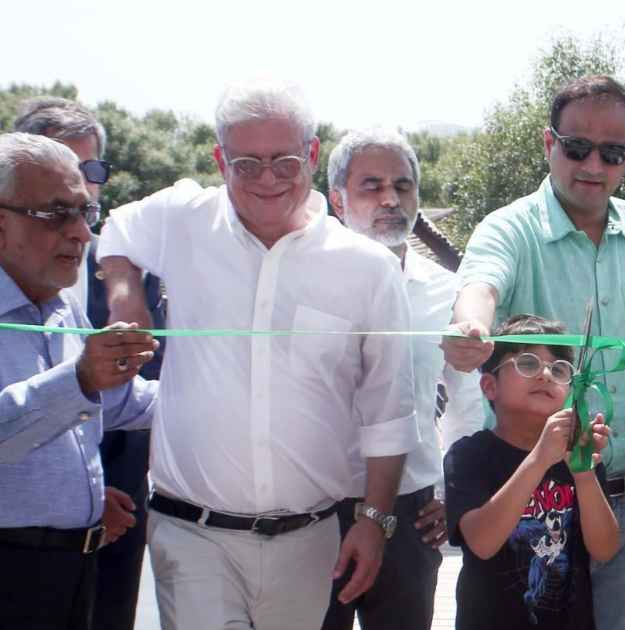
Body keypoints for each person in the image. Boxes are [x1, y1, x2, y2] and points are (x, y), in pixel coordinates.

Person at [96, 82, 418, 630]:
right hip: (191, 533)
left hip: (310, 539)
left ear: (313, 156)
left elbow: (388, 411)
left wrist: (374, 520)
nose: (267, 180)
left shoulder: (367, 269)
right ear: (220, 159)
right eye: (247, 164)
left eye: (285, 162)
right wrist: (128, 304)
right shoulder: (182, 218)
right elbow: (118, 232)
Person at [442, 74, 625, 630]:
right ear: (548, 143)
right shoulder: (508, 229)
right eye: (577, 148)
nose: (593, 166)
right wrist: (471, 329)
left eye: (612, 152)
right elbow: (479, 287)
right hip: (534, 505)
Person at [13, 95, 169, 630]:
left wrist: (231, 391)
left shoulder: (61, 303)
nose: (81, 232)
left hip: (78, 562)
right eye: (57, 212)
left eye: (86, 211)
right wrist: (79, 378)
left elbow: (120, 400)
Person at [323, 127, 484, 630]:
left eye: (403, 185)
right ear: (337, 199)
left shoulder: (447, 292)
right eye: (371, 185)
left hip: (412, 514)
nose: (391, 198)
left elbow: (467, 399)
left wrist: (452, 490)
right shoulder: (302, 283)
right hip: (312, 513)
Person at [445, 314, 619, 630]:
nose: (545, 374)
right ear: (489, 385)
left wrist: (582, 471)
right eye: (527, 364)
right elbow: (482, 543)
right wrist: (540, 458)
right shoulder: (469, 455)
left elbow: (605, 549)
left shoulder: (580, 456)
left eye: (559, 369)